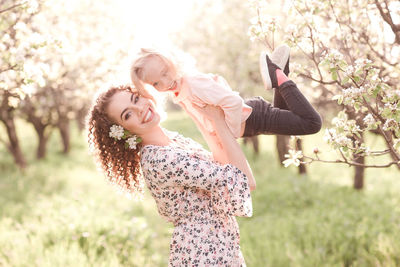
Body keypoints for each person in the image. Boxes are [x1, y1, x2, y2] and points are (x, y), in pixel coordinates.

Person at [87, 84, 256, 266]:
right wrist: (219, 121)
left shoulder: (171, 141)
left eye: (136, 99)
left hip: (218, 245)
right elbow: (243, 181)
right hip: (204, 252)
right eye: (127, 115)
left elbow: (222, 164)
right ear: (123, 131)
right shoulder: (159, 159)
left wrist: (205, 117)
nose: (140, 109)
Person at [130, 45, 322, 140]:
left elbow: (233, 102)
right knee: (288, 120)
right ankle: (279, 72)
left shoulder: (192, 84)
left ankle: (278, 76)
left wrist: (229, 132)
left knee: (311, 123)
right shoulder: (180, 91)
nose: (165, 83)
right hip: (252, 122)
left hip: (254, 117)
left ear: (172, 63)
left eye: (165, 73)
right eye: (156, 83)